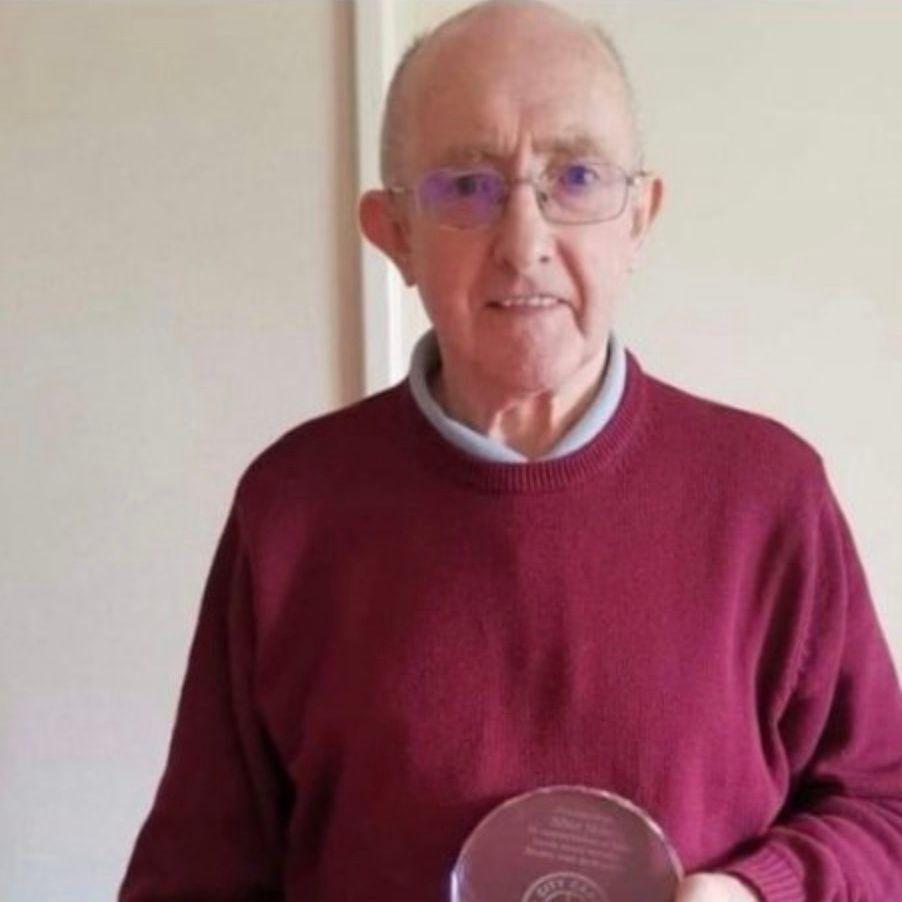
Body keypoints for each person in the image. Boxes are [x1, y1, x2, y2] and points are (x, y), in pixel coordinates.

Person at [119, 2, 902, 899]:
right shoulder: (292, 508)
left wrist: (759, 892)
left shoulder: (768, 496)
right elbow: (194, 875)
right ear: (394, 234)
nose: (525, 243)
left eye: (575, 177)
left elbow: (883, 809)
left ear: (639, 218)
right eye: (466, 187)